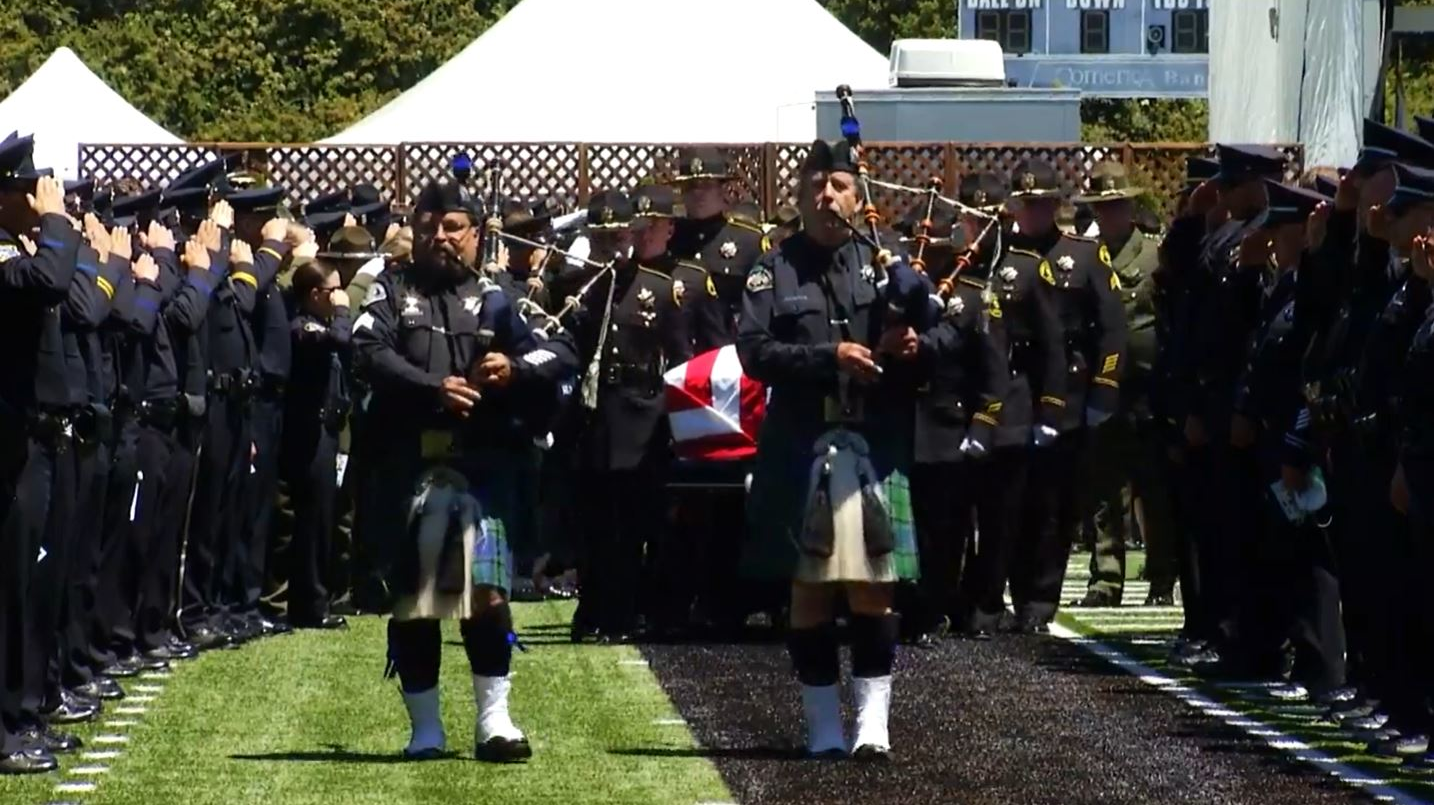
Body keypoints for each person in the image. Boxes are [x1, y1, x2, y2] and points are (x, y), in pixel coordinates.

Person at [737, 139, 958, 760]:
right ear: (800, 197)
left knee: (873, 586)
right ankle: (822, 730)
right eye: (815, 185)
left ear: (858, 199)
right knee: (808, 588)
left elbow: (946, 332)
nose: (825, 194)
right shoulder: (771, 267)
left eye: (837, 185)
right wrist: (826, 358)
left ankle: (871, 725)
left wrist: (915, 345)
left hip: (875, 441)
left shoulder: (884, 263)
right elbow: (753, 353)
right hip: (801, 442)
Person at [352, 177, 577, 763]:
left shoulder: (501, 299)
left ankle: (494, 721)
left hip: (483, 470)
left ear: (476, 235)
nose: (440, 238)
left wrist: (515, 366)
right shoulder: (387, 292)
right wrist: (433, 389)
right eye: (429, 227)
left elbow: (560, 352)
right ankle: (425, 729)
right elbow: (366, 351)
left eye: (453, 227)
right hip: (408, 468)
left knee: (489, 597)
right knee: (414, 601)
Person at [1004, 158, 1127, 633]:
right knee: (1011, 499)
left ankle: (1041, 598)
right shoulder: (1000, 253)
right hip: (1012, 390)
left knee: (1057, 502)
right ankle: (1008, 591)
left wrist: (1105, 388)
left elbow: (1112, 326)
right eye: (1026, 204)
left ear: (1056, 205)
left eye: (1042, 204)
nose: (1032, 213)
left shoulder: (1082, 254)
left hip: (1070, 393)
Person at [568, 188, 690, 642]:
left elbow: (679, 360)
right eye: (601, 241)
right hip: (591, 417)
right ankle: (591, 607)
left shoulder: (659, 289)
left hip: (641, 416)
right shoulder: (576, 286)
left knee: (630, 524)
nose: (609, 249)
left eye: (617, 239)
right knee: (592, 522)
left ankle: (623, 612)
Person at [950, 172, 1066, 639]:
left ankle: (990, 600)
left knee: (1003, 516)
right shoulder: (950, 268)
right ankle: (959, 596)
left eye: (988, 218)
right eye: (970, 218)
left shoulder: (1024, 267)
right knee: (956, 513)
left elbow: (1052, 345)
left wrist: (1051, 408)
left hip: (1011, 405)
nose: (977, 228)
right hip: (955, 405)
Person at [0, 143, 80, 774]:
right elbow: (53, 281)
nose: (37, 200)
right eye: (25, 191)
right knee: (11, 590)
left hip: (30, 438)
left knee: (29, 586)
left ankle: (23, 714)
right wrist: (55, 224)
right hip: (10, 444)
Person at [898, 200, 1008, 645]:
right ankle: (907, 608)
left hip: (948, 427)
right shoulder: (895, 298)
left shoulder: (972, 298)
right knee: (902, 528)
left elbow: (993, 373)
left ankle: (934, 607)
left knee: (946, 531)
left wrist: (981, 427)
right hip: (903, 425)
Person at [1071, 162, 1177, 608]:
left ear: (1131, 207)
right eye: (1102, 207)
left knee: (1154, 488)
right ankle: (1107, 578)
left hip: (1146, 390)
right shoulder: (1085, 257)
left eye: (1117, 206)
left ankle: (1160, 579)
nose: (1110, 214)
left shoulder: (1155, 255)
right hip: (1102, 389)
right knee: (1103, 489)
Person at [280, 259, 352, 629]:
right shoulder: (303, 327)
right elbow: (340, 339)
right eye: (332, 291)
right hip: (307, 435)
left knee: (324, 517)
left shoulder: (319, 324)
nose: (339, 297)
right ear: (314, 294)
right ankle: (309, 604)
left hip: (325, 429)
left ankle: (317, 597)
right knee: (312, 520)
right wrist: (342, 311)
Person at [669, 147, 767, 340]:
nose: (697, 193)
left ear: (722, 188)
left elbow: (764, 305)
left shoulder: (749, 240)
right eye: (690, 186)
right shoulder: (669, 238)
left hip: (728, 350)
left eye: (706, 185)